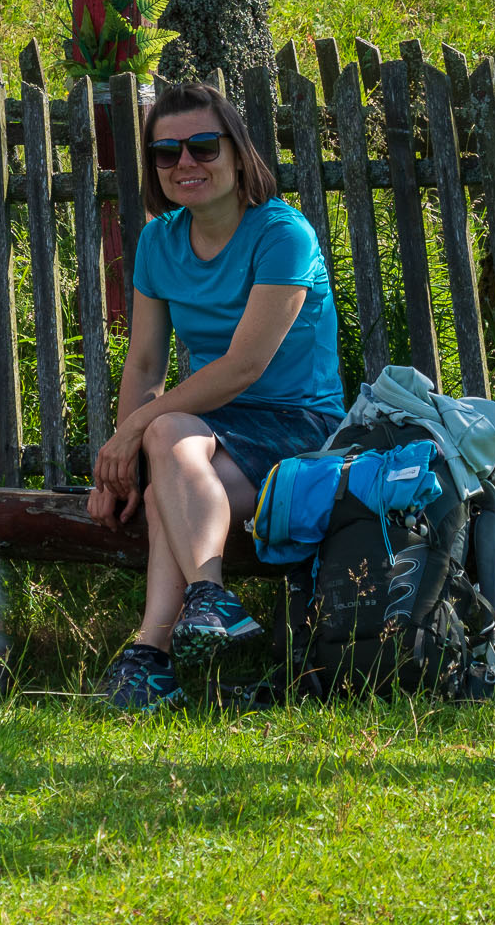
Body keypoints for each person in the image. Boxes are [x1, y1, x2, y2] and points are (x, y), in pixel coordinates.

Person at [86, 80, 344, 710]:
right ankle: (198, 613)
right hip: (210, 430)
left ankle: (155, 650)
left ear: (237, 152)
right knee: (164, 470)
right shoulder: (159, 241)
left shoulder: (284, 234)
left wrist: (132, 435)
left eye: (203, 147)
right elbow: (145, 362)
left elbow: (243, 366)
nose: (186, 165)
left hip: (299, 425)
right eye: (166, 154)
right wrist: (122, 465)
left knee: (166, 453)